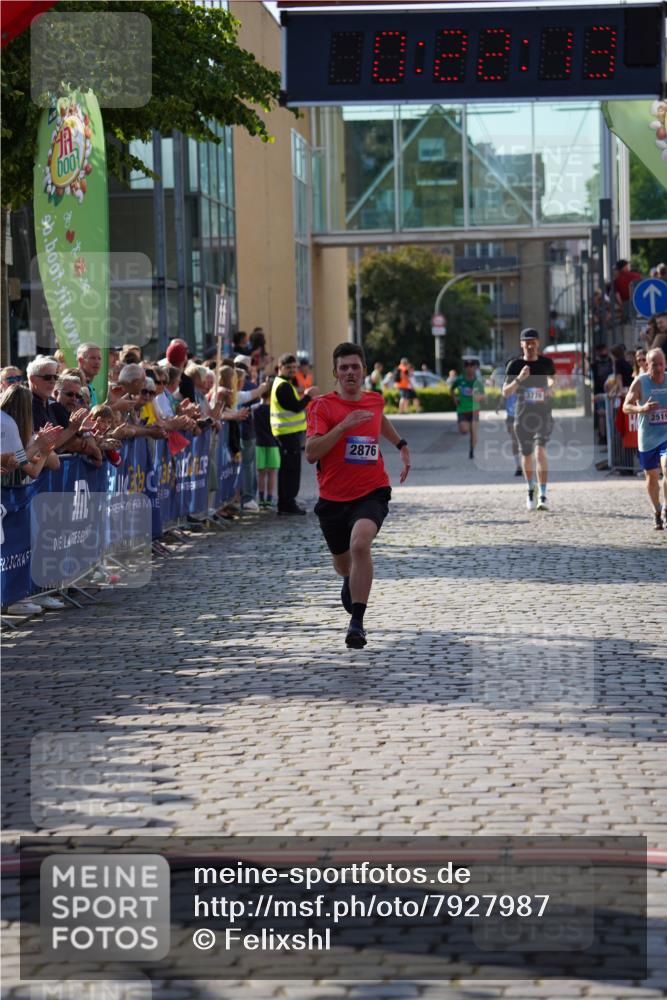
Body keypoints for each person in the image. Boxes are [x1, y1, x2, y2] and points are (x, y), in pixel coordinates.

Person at [305, 341, 410, 649]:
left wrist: (401, 444)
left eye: (355, 367)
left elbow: (379, 420)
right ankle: (348, 580)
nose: (350, 372)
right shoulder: (322, 407)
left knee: (361, 544)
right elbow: (311, 452)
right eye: (343, 368)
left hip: (372, 491)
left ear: (364, 370)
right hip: (333, 499)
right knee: (343, 563)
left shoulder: (374, 400)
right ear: (335, 373)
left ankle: (357, 624)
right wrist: (342, 427)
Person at [503, 328, 556, 511]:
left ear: (538, 343)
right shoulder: (514, 365)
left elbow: (552, 379)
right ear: (521, 344)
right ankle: (530, 488)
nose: (530, 345)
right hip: (522, 414)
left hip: (543, 414)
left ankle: (542, 495)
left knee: (540, 451)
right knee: (526, 454)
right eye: (527, 342)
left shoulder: (546, 363)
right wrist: (519, 379)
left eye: (533, 342)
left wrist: (550, 387)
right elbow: (505, 392)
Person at [622, 347, 667, 530]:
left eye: (661, 364)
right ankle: (656, 509)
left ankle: (666, 508)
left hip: (665, 435)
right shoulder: (640, 382)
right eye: (654, 365)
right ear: (647, 365)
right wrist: (641, 409)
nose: (658, 368)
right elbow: (626, 406)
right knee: (652, 477)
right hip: (648, 437)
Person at [270, 352, 319, 515]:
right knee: (290, 470)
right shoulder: (282, 385)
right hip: (286, 433)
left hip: (287, 432)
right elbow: (296, 406)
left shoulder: (284, 383)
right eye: (288, 367)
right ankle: (287, 503)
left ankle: (286, 503)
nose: (292, 370)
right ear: (280, 367)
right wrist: (308, 396)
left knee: (288, 469)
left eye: (294, 367)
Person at [448, 359, 484, 459]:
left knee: (473, 431)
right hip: (462, 409)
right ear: (465, 368)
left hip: (474, 409)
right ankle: (470, 439)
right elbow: (451, 389)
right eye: (467, 367)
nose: (470, 369)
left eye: (472, 367)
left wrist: (478, 397)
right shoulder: (460, 379)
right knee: (464, 430)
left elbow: (483, 395)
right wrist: (455, 398)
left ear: (474, 368)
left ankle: (472, 450)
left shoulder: (477, 381)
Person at [253, 381, 280, 509]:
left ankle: (261, 498)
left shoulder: (256, 410)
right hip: (272, 444)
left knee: (261, 473)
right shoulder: (274, 410)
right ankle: (269, 499)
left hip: (259, 443)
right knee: (272, 473)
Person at [590, 344, 613, 444]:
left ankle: (605, 437)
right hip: (604, 392)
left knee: (602, 415)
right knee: (602, 415)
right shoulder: (610, 362)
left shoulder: (595, 364)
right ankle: (605, 436)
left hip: (603, 391)